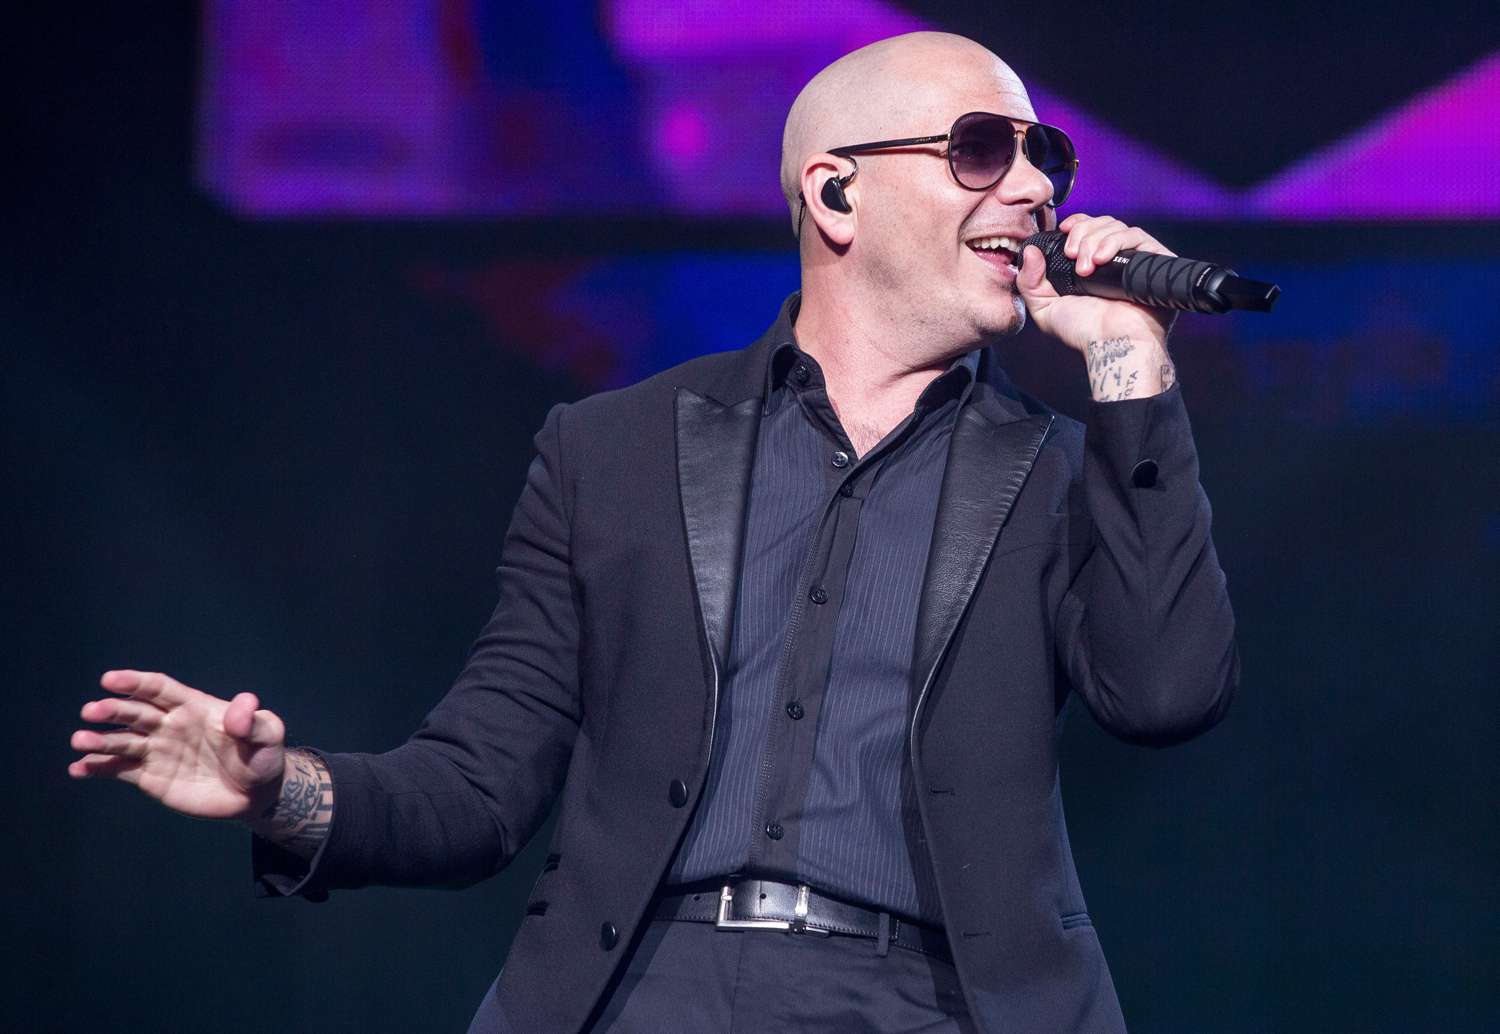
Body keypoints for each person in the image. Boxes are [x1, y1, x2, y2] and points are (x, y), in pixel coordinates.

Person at [69, 30, 1239, 1034]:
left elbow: (1166, 691)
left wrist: (1127, 358)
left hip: (933, 1001)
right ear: (836, 194)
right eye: (982, 149)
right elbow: (479, 783)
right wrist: (283, 789)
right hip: (645, 990)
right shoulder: (613, 451)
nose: (1035, 189)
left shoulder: (1058, 469)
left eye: (1048, 157)